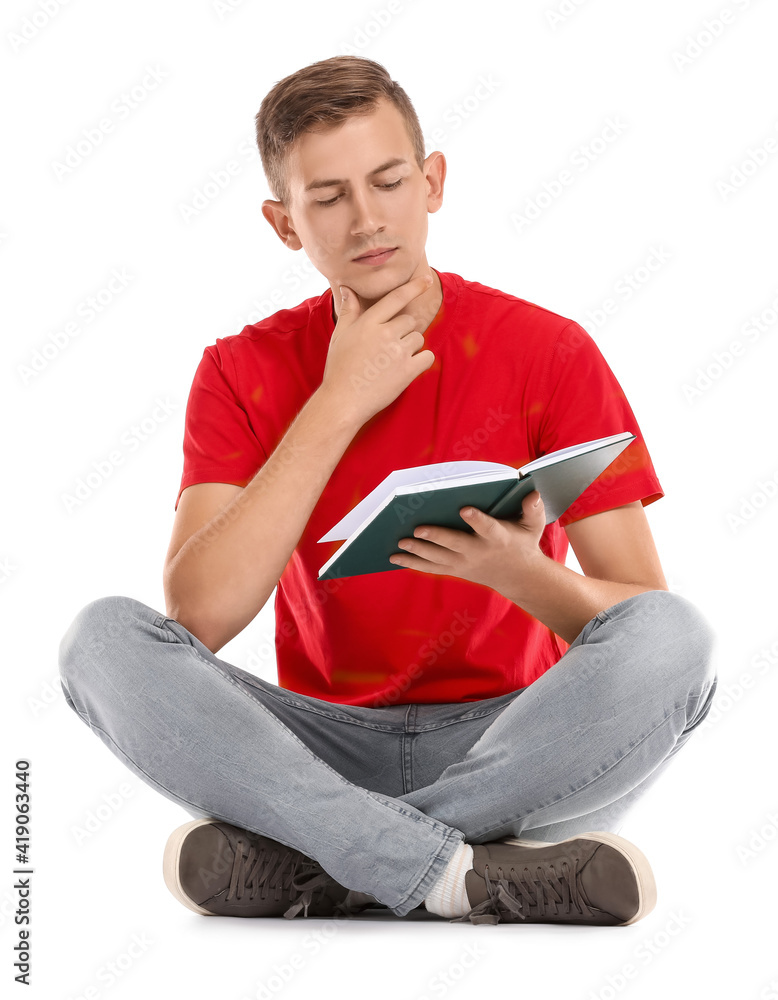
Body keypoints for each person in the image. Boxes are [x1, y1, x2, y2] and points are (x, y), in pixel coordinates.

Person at [58, 55, 717, 927]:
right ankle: (475, 875)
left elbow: (638, 620)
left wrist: (523, 575)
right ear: (284, 224)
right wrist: (337, 403)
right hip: (314, 755)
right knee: (98, 641)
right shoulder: (240, 369)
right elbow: (200, 614)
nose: (367, 220)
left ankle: (332, 863)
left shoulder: (550, 352)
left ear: (432, 182)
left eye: (389, 181)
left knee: (680, 638)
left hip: (518, 749)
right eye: (327, 198)